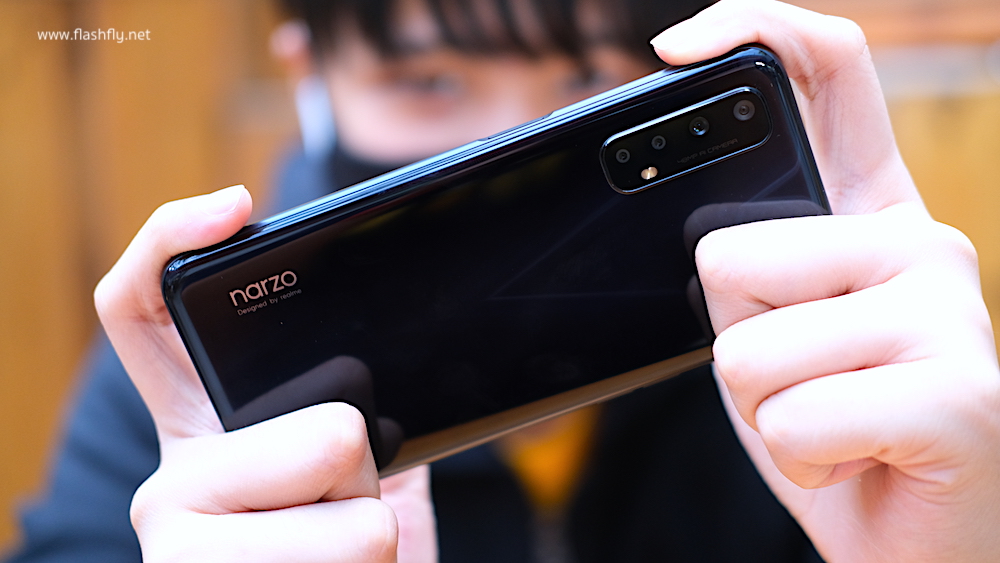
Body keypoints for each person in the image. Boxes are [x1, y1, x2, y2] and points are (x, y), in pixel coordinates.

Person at [8, 0, 1000, 561]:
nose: (505, 145)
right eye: (430, 82)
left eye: (585, 79)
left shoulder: (823, 338)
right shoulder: (211, 381)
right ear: (307, 71)